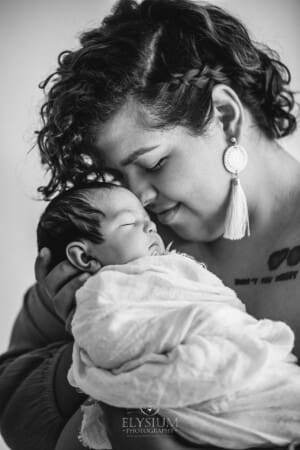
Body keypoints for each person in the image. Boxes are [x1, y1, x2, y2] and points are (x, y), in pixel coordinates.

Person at [0, 0, 299, 449]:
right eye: (119, 176)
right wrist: (96, 340)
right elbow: (11, 403)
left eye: (154, 162)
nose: (138, 197)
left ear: (226, 117)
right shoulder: (121, 243)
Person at [37, 181, 300, 449]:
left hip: (235, 352)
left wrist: (224, 324)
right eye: (129, 224)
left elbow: (223, 306)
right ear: (83, 256)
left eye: (147, 218)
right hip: (196, 379)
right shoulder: (102, 291)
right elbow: (113, 343)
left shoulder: (175, 267)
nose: (151, 226)